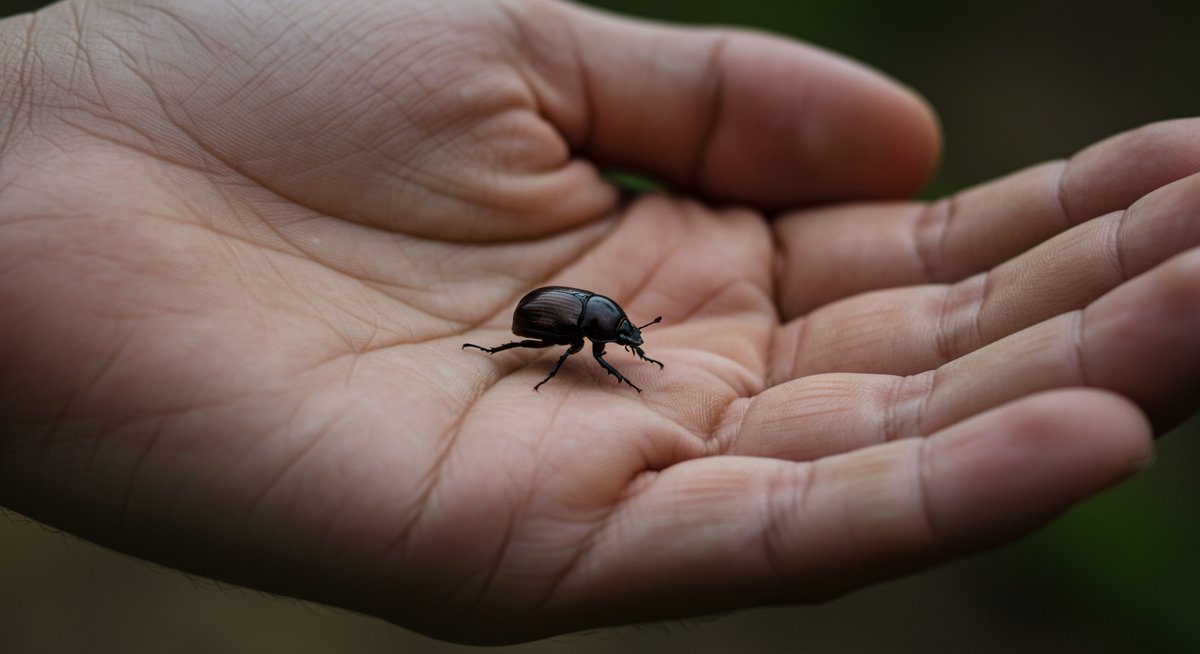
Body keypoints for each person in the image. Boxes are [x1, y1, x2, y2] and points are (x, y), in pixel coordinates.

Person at [0, 0, 1195, 645]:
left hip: (538, 302)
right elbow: (556, 335)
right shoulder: (572, 328)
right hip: (522, 309)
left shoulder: (603, 325)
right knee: (531, 356)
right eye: (618, 343)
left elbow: (594, 337)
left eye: (616, 342)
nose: (616, 348)